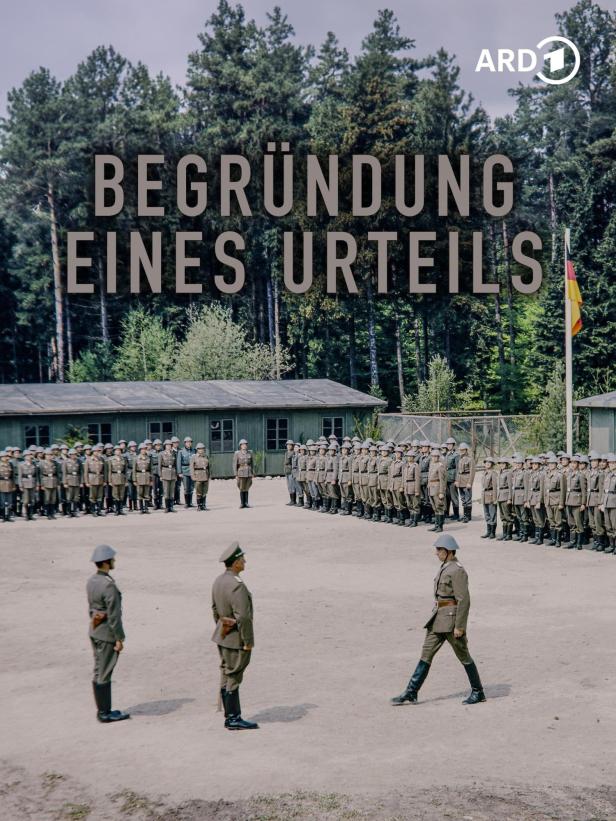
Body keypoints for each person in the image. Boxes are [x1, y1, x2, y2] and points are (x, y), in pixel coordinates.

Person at [391, 534, 485, 707]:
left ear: (448, 552)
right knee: (426, 653)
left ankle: (478, 691)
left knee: (463, 655)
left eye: (439, 550)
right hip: (438, 618)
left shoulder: (457, 570)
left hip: (451, 622)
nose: (436, 553)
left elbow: (464, 600)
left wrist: (460, 626)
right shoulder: (446, 566)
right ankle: (411, 692)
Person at [211, 542, 258, 731]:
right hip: (236, 638)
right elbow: (244, 617)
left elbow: (214, 609)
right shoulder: (237, 586)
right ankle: (233, 717)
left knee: (226, 671)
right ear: (236, 562)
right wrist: (247, 641)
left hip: (222, 635)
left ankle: (227, 712)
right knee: (234, 674)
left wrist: (222, 628)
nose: (245, 561)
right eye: (242, 559)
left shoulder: (219, 580)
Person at [87, 544, 130, 723]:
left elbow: (92, 608)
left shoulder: (92, 581)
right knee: (105, 671)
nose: (113, 561)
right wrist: (119, 638)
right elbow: (114, 616)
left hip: (95, 630)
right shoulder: (108, 586)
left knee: (98, 670)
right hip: (106, 634)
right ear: (105, 562)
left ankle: (102, 710)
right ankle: (105, 712)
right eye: (111, 559)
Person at [427, 448, 447, 533]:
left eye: (436, 456)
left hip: (437, 488)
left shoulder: (440, 466)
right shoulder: (432, 464)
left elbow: (442, 480)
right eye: (433, 456)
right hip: (431, 487)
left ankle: (440, 526)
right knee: (434, 507)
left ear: (438, 457)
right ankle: (436, 525)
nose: (434, 458)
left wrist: (441, 492)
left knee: (439, 507)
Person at [455, 443, 475, 523]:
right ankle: (464, 515)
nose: (461, 451)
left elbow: (472, 472)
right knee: (463, 499)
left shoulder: (470, 459)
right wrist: (456, 480)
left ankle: (468, 516)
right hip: (460, 480)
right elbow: (457, 471)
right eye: (460, 450)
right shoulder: (459, 459)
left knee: (468, 499)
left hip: (466, 480)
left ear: (466, 450)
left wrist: (470, 482)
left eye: (463, 450)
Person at [480, 456, 498, 539]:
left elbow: (495, 486)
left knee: (492, 514)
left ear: (492, 464)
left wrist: (495, 499)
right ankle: (488, 531)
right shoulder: (484, 473)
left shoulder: (493, 473)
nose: (487, 464)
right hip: (484, 495)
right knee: (486, 514)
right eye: (486, 462)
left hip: (490, 494)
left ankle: (492, 532)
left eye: (489, 462)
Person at [233, 439, 253, 509]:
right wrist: (236, 474)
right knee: (241, 488)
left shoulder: (250, 453)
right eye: (243, 445)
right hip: (241, 472)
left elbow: (252, 463)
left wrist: (252, 472)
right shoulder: (237, 454)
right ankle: (242, 503)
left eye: (245, 444)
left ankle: (246, 503)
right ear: (240, 446)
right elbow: (234, 464)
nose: (244, 446)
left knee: (247, 487)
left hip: (248, 472)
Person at [133, 443, 153, 514]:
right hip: (139, 476)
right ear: (140, 450)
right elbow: (134, 470)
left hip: (147, 477)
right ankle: (141, 508)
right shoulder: (136, 458)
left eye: (145, 449)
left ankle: (146, 508)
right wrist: (134, 480)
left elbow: (151, 469)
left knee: (146, 493)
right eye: (142, 449)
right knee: (140, 493)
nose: (143, 451)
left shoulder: (148, 458)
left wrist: (151, 480)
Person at [190, 443, 210, 511]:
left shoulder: (206, 456)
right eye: (199, 449)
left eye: (202, 449)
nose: (201, 450)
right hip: (198, 476)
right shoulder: (194, 457)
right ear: (197, 450)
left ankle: (204, 505)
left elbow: (209, 467)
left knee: (204, 491)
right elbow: (191, 467)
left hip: (205, 475)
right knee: (198, 491)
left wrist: (209, 476)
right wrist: (193, 476)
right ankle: (199, 506)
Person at [177, 436, 196, 508]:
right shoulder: (181, 451)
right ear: (185, 443)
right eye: (187, 442)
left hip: (192, 471)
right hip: (184, 470)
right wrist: (179, 472)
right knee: (186, 487)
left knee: (191, 487)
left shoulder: (194, 451)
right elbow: (178, 462)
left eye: (190, 442)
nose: (189, 444)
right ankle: (186, 503)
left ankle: (190, 502)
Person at [0, 448, 15, 522]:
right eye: (3, 457)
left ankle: (8, 516)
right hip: (1, 485)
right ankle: (3, 517)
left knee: (9, 502)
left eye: (6, 456)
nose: (5, 458)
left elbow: (12, 476)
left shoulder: (10, 464)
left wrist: (13, 485)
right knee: (2, 502)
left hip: (9, 484)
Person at [283, 439, 296, 505]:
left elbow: (293, 463)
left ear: (292, 446)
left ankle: (293, 501)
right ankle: (291, 500)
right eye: (288, 445)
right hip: (287, 470)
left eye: (290, 445)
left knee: (292, 485)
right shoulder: (286, 453)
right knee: (289, 486)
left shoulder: (293, 453)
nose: (289, 446)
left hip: (291, 470)